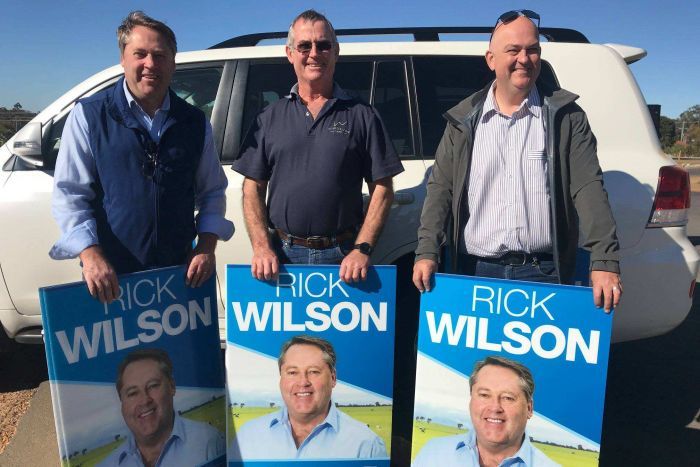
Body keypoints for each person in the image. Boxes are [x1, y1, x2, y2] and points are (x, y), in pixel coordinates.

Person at [412, 9, 622, 312]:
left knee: (539, 363)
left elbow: (588, 188)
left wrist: (605, 260)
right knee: (477, 362)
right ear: (491, 59)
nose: (524, 58)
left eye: (532, 49)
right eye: (513, 50)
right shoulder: (462, 121)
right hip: (474, 274)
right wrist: (427, 251)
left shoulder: (566, 118)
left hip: (545, 275)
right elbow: (440, 190)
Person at [50, 11, 234, 303]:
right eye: (140, 54)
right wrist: (91, 254)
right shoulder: (89, 115)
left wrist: (206, 246)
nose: (151, 64)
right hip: (112, 277)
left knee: (176, 351)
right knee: (121, 352)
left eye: (160, 55)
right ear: (123, 58)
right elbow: (70, 194)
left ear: (173, 62)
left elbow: (212, 191)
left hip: (178, 274)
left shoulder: (194, 122)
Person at [232, 9, 404, 283]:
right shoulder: (268, 117)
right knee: (287, 330)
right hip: (281, 256)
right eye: (304, 46)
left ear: (335, 51)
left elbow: (382, 188)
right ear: (290, 53)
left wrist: (362, 248)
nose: (314, 53)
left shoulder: (362, 114)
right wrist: (262, 246)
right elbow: (252, 187)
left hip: (345, 257)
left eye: (323, 45)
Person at [229, 335, 388, 460]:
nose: (303, 382)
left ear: (333, 378)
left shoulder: (367, 444)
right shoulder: (247, 436)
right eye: (292, 372)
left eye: (313, 371)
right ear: (281, 379)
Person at [412, 356, 559, 467]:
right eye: (484, 395)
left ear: (529, 408)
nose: (495, 407)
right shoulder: (432, 452)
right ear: (471, 400)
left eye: (508, 398)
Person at [97, 348, 225, 467]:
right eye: (132, 393)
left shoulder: (209, 442)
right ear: (122, 403)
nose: (144, 400)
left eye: (153, 386)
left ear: (172, 386)